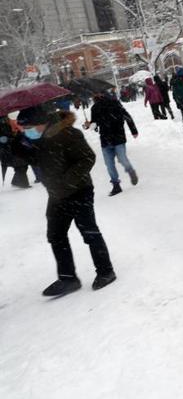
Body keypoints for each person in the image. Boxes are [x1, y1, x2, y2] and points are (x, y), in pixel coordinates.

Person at [12, 104, 116, 296]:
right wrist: (18, 142)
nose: (26, 132)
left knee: (89, 232)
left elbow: (87, 158)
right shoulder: (38, 139)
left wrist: (67, 182)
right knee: (55, 235)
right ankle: (68, 279)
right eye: (24, 129)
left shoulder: (68, 134)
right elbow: (33, 160)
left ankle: (106, 271)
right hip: (56, 195)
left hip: (79, 191)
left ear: (41, 123)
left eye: (28, 128)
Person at [85, 91, 139, 196]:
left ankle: (130, 171)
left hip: (116, 137)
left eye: (95, 95)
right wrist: (89, 125)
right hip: (107, 139)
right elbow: (95, 125)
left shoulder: (114, 104)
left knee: (117, 161)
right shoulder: (95, 108)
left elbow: (126, 117)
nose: (94, 97)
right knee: (111, 163)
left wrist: (134, 130)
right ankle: (116, 185)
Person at [1, 114, 32, 188]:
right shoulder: (3, 125)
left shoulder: (17, 122)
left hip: (18, 148)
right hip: (8, 150)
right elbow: (2, 139)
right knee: (20, 165)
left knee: (23, 165)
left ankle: (17, 181)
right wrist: (10, 137)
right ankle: (22, 183)